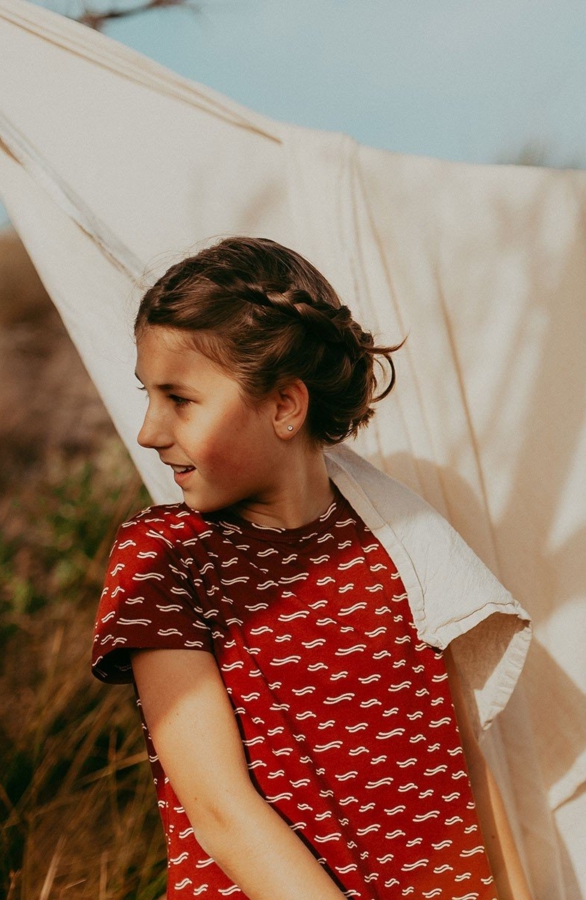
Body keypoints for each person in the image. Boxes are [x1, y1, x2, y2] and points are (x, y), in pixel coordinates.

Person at [92, 236, 533, 900]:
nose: (149, 431)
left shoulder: (401, 545)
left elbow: (465, 766)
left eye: (179, 399)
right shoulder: (164, 559)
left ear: (285, 406)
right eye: (147, 395)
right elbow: (221, 813)